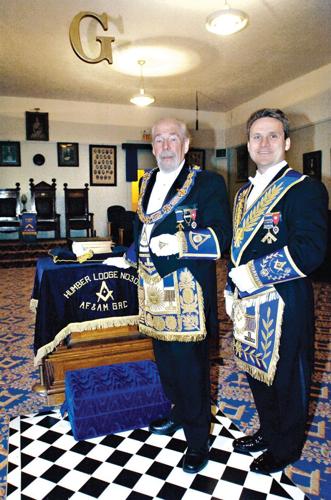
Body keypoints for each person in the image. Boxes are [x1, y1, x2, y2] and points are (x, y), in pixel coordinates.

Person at [108, 117, 232, 473]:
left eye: (172, 138)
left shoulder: (207, 182)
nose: (165, 145)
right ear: (152, 146)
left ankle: (198, 440)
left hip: (186, 289)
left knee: (190, 366)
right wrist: (129, 254)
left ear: (186, 143)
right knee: (165, 360)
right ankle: (179, 412)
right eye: (159, 139)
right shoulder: (145, 181)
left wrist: (181, 242)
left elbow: (222, 236)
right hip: (152, 286)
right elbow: (145, 229)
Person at [226, 108, 328, 474]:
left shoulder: (305, 189)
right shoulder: (242, 195)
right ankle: (269, 431)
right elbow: (237, 248)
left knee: (287, 377)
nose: (264, 143)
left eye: (272, 136)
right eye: (256, 136)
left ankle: (286, 447)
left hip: (285, 302)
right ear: (248, 144)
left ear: (286, 142)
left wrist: (254, 275)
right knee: (256, 372)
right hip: (248, 302)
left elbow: (311, 250)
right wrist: (230, 288)